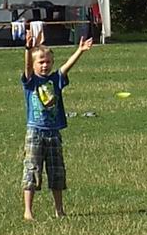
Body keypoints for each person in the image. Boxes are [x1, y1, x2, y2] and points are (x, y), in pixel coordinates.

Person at [19, 29, 93, 221]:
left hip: (53, 133)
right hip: (35, 132)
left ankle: (59, 210)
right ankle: (28, 211)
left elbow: (66, 67)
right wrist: (28, 49)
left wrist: (80, 51)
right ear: (34, 64)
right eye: (41, 62)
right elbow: (27, 67)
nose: (45, 65)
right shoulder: (31, 81)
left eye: (48, 62)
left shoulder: (55, 80)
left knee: (56, 171)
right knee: (32, 169)